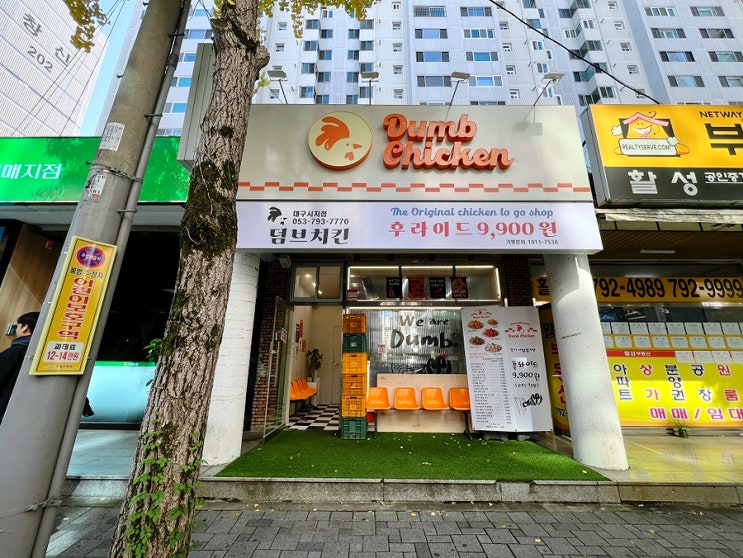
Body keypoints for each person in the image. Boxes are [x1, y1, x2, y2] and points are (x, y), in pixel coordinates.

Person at [0, 311, 39, 424]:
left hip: (4, 410)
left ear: (25, 327)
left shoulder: (15, 351)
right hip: (29, 414)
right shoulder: (45, 355)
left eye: (18, 326)